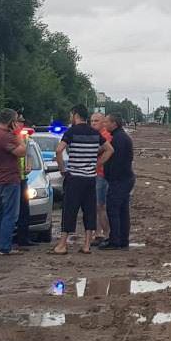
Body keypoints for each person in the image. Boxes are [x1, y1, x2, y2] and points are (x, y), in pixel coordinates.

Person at [50, 105, 113, 255]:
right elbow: (110, 149)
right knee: (89, 210)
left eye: (71, 114)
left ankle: (62, 245)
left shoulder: (71, 132)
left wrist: (62, 169)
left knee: (69, 210)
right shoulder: (94, 133)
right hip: (90, 178)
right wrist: (97, 163)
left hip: (74, 178)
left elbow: (59, 150)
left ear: (76, 115)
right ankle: (86, 245)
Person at [0, 108, 27, 255]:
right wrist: (18, 135)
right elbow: (22, 152)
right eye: (16, 120)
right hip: (8, 179)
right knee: (10, 214)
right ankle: (5, 247)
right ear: (11, 121)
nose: (17, 123)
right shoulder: (6, 136)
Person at [99, 113, 135, 250]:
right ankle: (122, 239)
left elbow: (117, 162)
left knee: (113, 209)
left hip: (120, 180)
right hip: (124, 179)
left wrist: (109, 175)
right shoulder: (121, 137)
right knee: (122, 210)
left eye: (106, 122)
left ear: (114, 123)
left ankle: (115, 241)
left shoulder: (119, 139)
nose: (104, 124)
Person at [12, 112, 36, 250]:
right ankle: (11, 239)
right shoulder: (9, 136)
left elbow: (29, 155)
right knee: (12, 212)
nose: (21, 124)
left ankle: (23, 238)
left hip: (22, 178)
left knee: (24, 211)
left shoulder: (25, 137)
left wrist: (29, 165)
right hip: (11, 178)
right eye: (19, 122)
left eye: (22, 122)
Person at [90, 112, 112, 244]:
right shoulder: (96, 135)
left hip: (102, 175)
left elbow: (98, 150)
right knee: (96, 205)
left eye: (96, 121)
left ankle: (106, 233)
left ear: (103, 122)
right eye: (92, 121)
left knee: (100, 205)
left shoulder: (105, 136)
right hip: (96, 174)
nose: (93, 123)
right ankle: (98, 233)